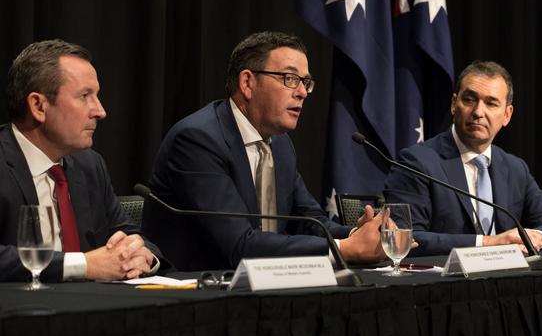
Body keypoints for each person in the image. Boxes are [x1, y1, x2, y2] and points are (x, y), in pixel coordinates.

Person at [141, 31, 385, 271]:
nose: (301, 92)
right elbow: (239, 245)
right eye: (290, 78)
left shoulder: (280, 145)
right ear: (247, 83)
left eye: (305, 82)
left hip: (263, 291)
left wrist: (360, 234)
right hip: (194, 294)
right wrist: (343, 248)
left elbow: (312, 224)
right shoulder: (197, 140)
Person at [0, 39, 162, 282]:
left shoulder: (89, 165)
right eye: (85, 96)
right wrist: (84, 265)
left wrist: (142, 255)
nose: (100, 111)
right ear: (38, 106)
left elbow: (131, 234)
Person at [383, 60, 542, 256]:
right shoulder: (416, 163)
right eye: (469, 100)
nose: (478, 112)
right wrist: (488, 242)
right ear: (453, 105)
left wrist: (538, 237)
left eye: (491, 103)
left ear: (507, 115)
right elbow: (405, 238)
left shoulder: (514, 168)